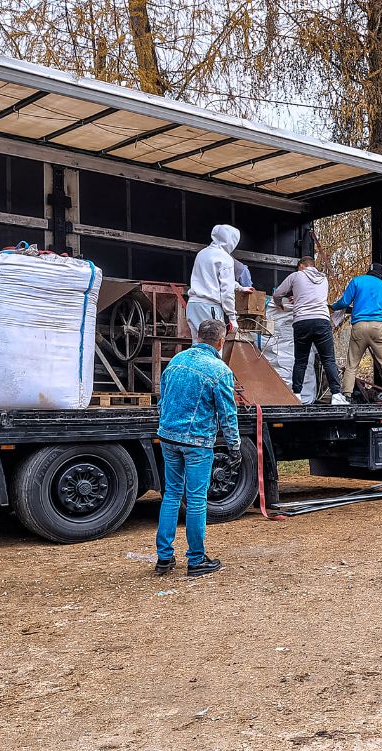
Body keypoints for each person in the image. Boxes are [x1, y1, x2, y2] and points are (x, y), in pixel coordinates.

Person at [154, 319, 240, 577]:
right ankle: (196, 559)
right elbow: (228, 413)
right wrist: (234, 446)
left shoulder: (176, 362)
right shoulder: (219, 370)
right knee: (196, 500)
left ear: (198, 336)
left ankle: (164, 558)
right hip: (197, 443)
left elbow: (162, 400)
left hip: (169, 438)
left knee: (171, 495)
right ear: (221, 341)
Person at [274, 256, 348, 405]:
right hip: (322, 321)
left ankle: (297, 394)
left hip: (302, 322)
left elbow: (277, 294)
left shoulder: (296, 276)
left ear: (301, 266)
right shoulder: (324, 279)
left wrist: (280, 304)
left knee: (300, 361)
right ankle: (336, 395)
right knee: (328, 360)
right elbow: (313, 296)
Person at [330, 262, 382, 403]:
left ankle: (347, 395)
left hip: (359, 326)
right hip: (378, 327)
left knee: (352, 364)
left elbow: (344, 302)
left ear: (368, 271)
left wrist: (333, 307)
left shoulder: (357, 281)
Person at [187, 225, 240, 343]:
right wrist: (232, 317)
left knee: (197, 345)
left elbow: (209, 278)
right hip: (209, 306)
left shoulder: (202, 253)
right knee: (213, 346)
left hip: (193, 305)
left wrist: (240, 287)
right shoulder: (225, 258)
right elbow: (227, 292)